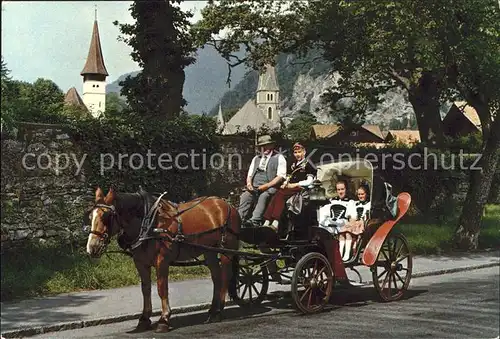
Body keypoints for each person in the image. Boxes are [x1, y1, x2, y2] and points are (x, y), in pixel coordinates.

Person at [262, 142, 316, 231]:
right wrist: (285, 183)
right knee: (277, 194)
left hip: (301, 188)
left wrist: (294, 184)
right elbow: (289, 176)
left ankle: (275, 222)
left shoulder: (309, 163)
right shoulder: (293, 163)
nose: (297, 154)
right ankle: (267, 221)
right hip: (290, 187)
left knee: (280, 194)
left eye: (299, 152)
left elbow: (309, 181)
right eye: (295, 152)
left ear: (304, 152)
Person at [238, 135, 287, 227]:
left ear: (272, 146)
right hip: (255, 186)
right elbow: (250, 174)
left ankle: (255, 220)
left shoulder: (279, 157)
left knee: (264, 196)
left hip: (270, 186)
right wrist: (249, 184)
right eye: (262, 146)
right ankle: (239, 220)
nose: (265, 148)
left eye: (267, 145)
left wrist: (266, 186)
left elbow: (280, 177)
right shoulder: (256, 158)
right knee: (245, 196)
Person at [317, 180, 355, 260]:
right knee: (320, 228)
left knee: (342, 231)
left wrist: (350, 223)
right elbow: (325, 213)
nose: (340, 192)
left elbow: (352, 216)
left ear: (346, 189)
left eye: (342, 189)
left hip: (342, 223)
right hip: (332, 223)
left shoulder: (350, 201)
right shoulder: (332, 200)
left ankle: (342, 255)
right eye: (338, 189)